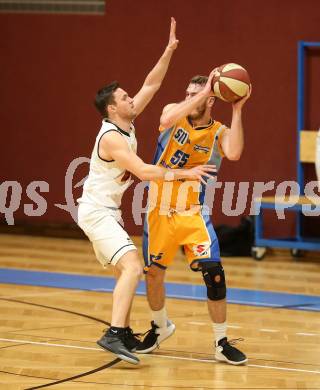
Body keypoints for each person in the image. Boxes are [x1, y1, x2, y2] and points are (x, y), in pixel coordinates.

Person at [77, 18, 216, 365]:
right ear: (113, 108)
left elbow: (151, 83)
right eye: (125, 97)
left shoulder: (127, 120)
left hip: (108, 212)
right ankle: (114, 333)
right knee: (133, 267)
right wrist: (186, 173)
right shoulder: (111, 136)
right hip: (96, 211)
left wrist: (168, 50)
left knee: (126, 271)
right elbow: (142, 171)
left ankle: (126, 329)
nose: (131, 98)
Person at [136, 72, 251, 365]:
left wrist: (237, 109)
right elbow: (169, 115)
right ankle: (160, 327)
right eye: (187, 93)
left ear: (212, 99)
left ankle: (221, 343)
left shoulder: (217, 133)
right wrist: (200, 93)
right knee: (153, 275)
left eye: (195, 94)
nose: (188, 98)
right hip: (159, 211)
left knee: (214, 275)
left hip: (193, 214)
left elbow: (235, 152)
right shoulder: (173, 116)